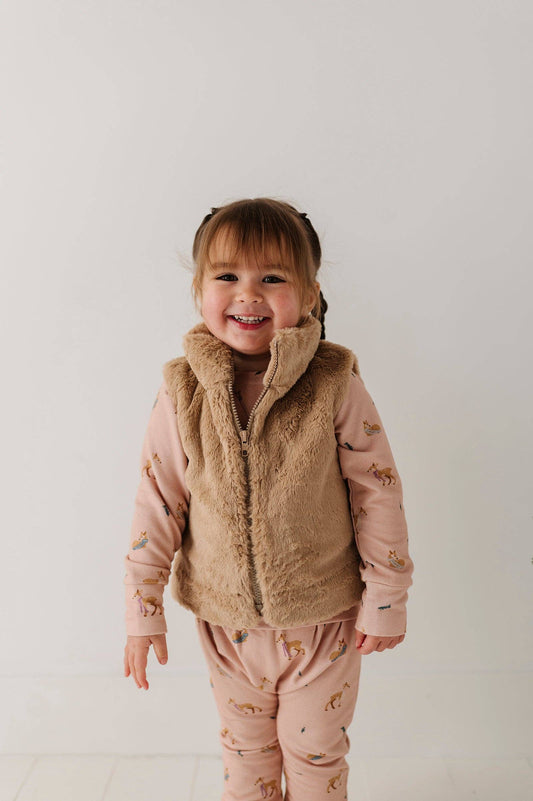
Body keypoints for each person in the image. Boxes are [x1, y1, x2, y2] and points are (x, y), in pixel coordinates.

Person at [123, 197, 413, 800]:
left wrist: (387, 594)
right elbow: (159, 499)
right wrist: (142, 607)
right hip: (225, 623)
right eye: (227, 276)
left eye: (273, 278)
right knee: (245, 756)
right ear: (199, 289)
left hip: (324, 618)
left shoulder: (334, 380)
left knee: (316, 757)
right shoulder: (182, 389)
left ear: (309, 294)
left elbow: (376, 490)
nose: (248, 294)